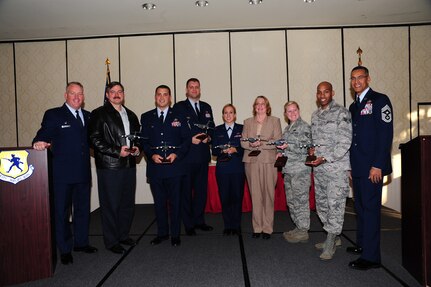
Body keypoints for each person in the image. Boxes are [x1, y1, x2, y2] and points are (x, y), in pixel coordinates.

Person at [32, 82, 97, 265]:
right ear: (65, 95)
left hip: (83, 173)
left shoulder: (88, 116)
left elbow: (95, 141)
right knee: (61, 213)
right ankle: (65, 249)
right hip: (62, 175)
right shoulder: (54, 114)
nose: (76, 97)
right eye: (72, 93)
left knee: (83, 210)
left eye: (80, 94)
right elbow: (42, 134)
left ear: (83, 97)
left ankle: (81, 243)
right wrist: (38, 142)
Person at [347, 66, 393, 270]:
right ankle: (363, 245)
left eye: (360, 78)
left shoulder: (380, 100)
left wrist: (378, 165)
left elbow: (385, 135)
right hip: (357, 167)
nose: (356, 81)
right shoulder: (353, 106)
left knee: (371, 210)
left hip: (372, 167)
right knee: (360, 209)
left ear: (368, 79)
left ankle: (372, 257)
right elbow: (352, 138)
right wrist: (350, 166)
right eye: (353, 78)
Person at [88, 81, 141, 254]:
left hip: (129, 165)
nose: (117, 94)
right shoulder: (99, 114)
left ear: (123, 94)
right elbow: (94, 140)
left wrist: (138, 148)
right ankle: (112, 241)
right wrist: (117, 151)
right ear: (107, 94)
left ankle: (123, 235)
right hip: (110, 167)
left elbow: (138, 137)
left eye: (120, 91)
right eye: (113, 91)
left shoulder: (131, 115)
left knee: (127, 204)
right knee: (110, 205)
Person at [140, 85, 191, 247]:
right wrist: (150, 154)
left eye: (165, 95)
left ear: (170, 98)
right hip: (155, 169)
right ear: (155, 97)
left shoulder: (180, 116)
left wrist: (177, 154)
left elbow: (186, 140)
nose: (162, 97)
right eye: (159, 95)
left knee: (175, 203)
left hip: (175, 167)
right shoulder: (147, 117)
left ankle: (175, 234)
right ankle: (162, 233)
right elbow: (144, 141)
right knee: (159, 203)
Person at [309, 81, 352, 260]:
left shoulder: (342, 113)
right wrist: (312, 150)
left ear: (332, 93)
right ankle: (333, 237)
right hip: (319, 169)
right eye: (319, 92)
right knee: (322, 205)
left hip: (336, 169)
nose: (322, 95)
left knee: (335, 205)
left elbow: (344, 142)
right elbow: (315, 141)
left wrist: (325, 157)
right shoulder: (315, 115)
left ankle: (330, 241)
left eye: (326, 92)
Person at [173, 78, 215, 235]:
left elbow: (211, 127)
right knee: (186, 192)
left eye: (197, 87)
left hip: (203, 156)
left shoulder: (206, 107)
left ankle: (199, 220)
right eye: (191, 87)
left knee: (201, 191)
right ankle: (188, 224)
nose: (194, 89)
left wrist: (209, 137)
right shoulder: (179, 107)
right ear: (186, 90)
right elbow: (177, 129)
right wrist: (190, 140)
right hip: (186, 156)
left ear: (200, 89)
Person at [241, 96, 282, 240]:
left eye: (262, 104)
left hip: (269, 162)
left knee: (268, 195)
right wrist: (251, 144)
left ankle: (267, 228)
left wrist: (260, 144)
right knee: (256, 196)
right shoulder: (247, 122)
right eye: (257, 104)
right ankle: (257, 227)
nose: (260, 106)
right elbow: (243, 142)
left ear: (267, 106)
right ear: (254, 106)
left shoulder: (274, 121)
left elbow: (277, 141)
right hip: (251, 163)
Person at [276, 101, 312, 243]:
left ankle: (303, 230)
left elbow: (307, 147)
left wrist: (288, 146)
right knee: (292, 201)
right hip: (289, 170)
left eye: (294, 110)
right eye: (289, 111)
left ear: (299, 110)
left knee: (301, 201)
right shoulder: (287, 129)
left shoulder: (304, 127)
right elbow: (284, 147)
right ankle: (298, 227)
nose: (292, 113)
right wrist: (280, 152)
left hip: (300, 171)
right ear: (285, 114)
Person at [211, 104, 245, 235]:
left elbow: (246, 148)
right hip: (223, 169)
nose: (228, 115)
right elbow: (213, 150)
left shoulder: (242, 129)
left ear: (235, 115)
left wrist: (236, 149)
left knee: (237, 197)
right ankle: (228, 225)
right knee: (225, 198)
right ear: (223, 115)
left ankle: (236, 225)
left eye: (231, 112)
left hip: (238, 169)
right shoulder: (217, 130)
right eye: (226, 113)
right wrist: (222, 150)